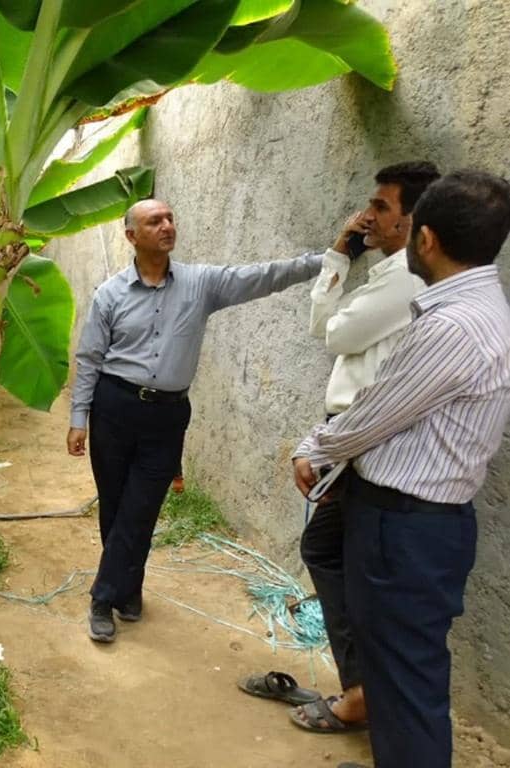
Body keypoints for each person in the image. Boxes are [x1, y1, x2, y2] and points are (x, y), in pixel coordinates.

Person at [292, 170, 510, 768]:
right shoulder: (477, 306)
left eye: (387, 210)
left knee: (405, 694)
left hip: (405, 529)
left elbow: (374, 413)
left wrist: (313, 447)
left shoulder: (448, 326)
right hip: (414, 523)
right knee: (406, 684)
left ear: (427, 237)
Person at [67, 198, 324, 643]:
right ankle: (129, 589)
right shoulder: (109, 294)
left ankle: (102, 597)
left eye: (169, 218)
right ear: (132, 236)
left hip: (167, 415)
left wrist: (326, 260)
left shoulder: (201, 284)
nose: (167, 226)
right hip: (114, 407)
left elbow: (263, 277)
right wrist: (78, 418)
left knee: (142, 507)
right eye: (154, 221)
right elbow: (89, 359)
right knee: (115, 504)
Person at [242, 162, 440, 732]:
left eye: (380, 207)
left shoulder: (405, 279)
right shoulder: (386, 273)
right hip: (350, 440)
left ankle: (362, 692)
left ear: (411, 220)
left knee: (331, 552)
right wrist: (342, 257)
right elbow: (326, 327)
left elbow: (332, 332)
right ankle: (363, 686)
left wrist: (338, 261)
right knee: (333, 552)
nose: (366, 216)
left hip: (363, 442)